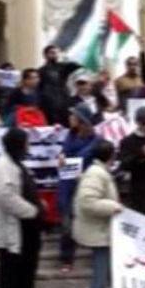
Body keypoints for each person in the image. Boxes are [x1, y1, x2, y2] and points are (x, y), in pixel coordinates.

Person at [0, 128, 41, 288]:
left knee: (27, 265)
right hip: (11, 225)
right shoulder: (1, 166)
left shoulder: (17, 164)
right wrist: (31, 210)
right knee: (10, 267)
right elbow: (5, 196)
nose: (28, 147)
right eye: (26, 143)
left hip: (26, 226)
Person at [72, 140, 123, 288]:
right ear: (111, 156)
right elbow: (88, 202)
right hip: (100, 236)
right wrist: (113, 207)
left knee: (109, 283)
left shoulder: (98, 173)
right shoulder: (97, 174)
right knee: (100, 285)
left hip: (104, 234)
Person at [57, 104, 99, 273]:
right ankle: (66, 258)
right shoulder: (70, 135)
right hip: (67, 185)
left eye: (73, 116)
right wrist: (61, 156)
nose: (70, 118)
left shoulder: (95, 140)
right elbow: (65, 153)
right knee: (67, 223)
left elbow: (87, 158)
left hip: (85, 185)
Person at [37, 45, 79, 125]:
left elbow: (76, 65)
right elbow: (39, 88)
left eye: (56, 53)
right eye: (52, 53)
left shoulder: (63, 67)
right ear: (45, 55)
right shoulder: (41, 71)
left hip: (63, 101)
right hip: (48, 104)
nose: (55, 55)